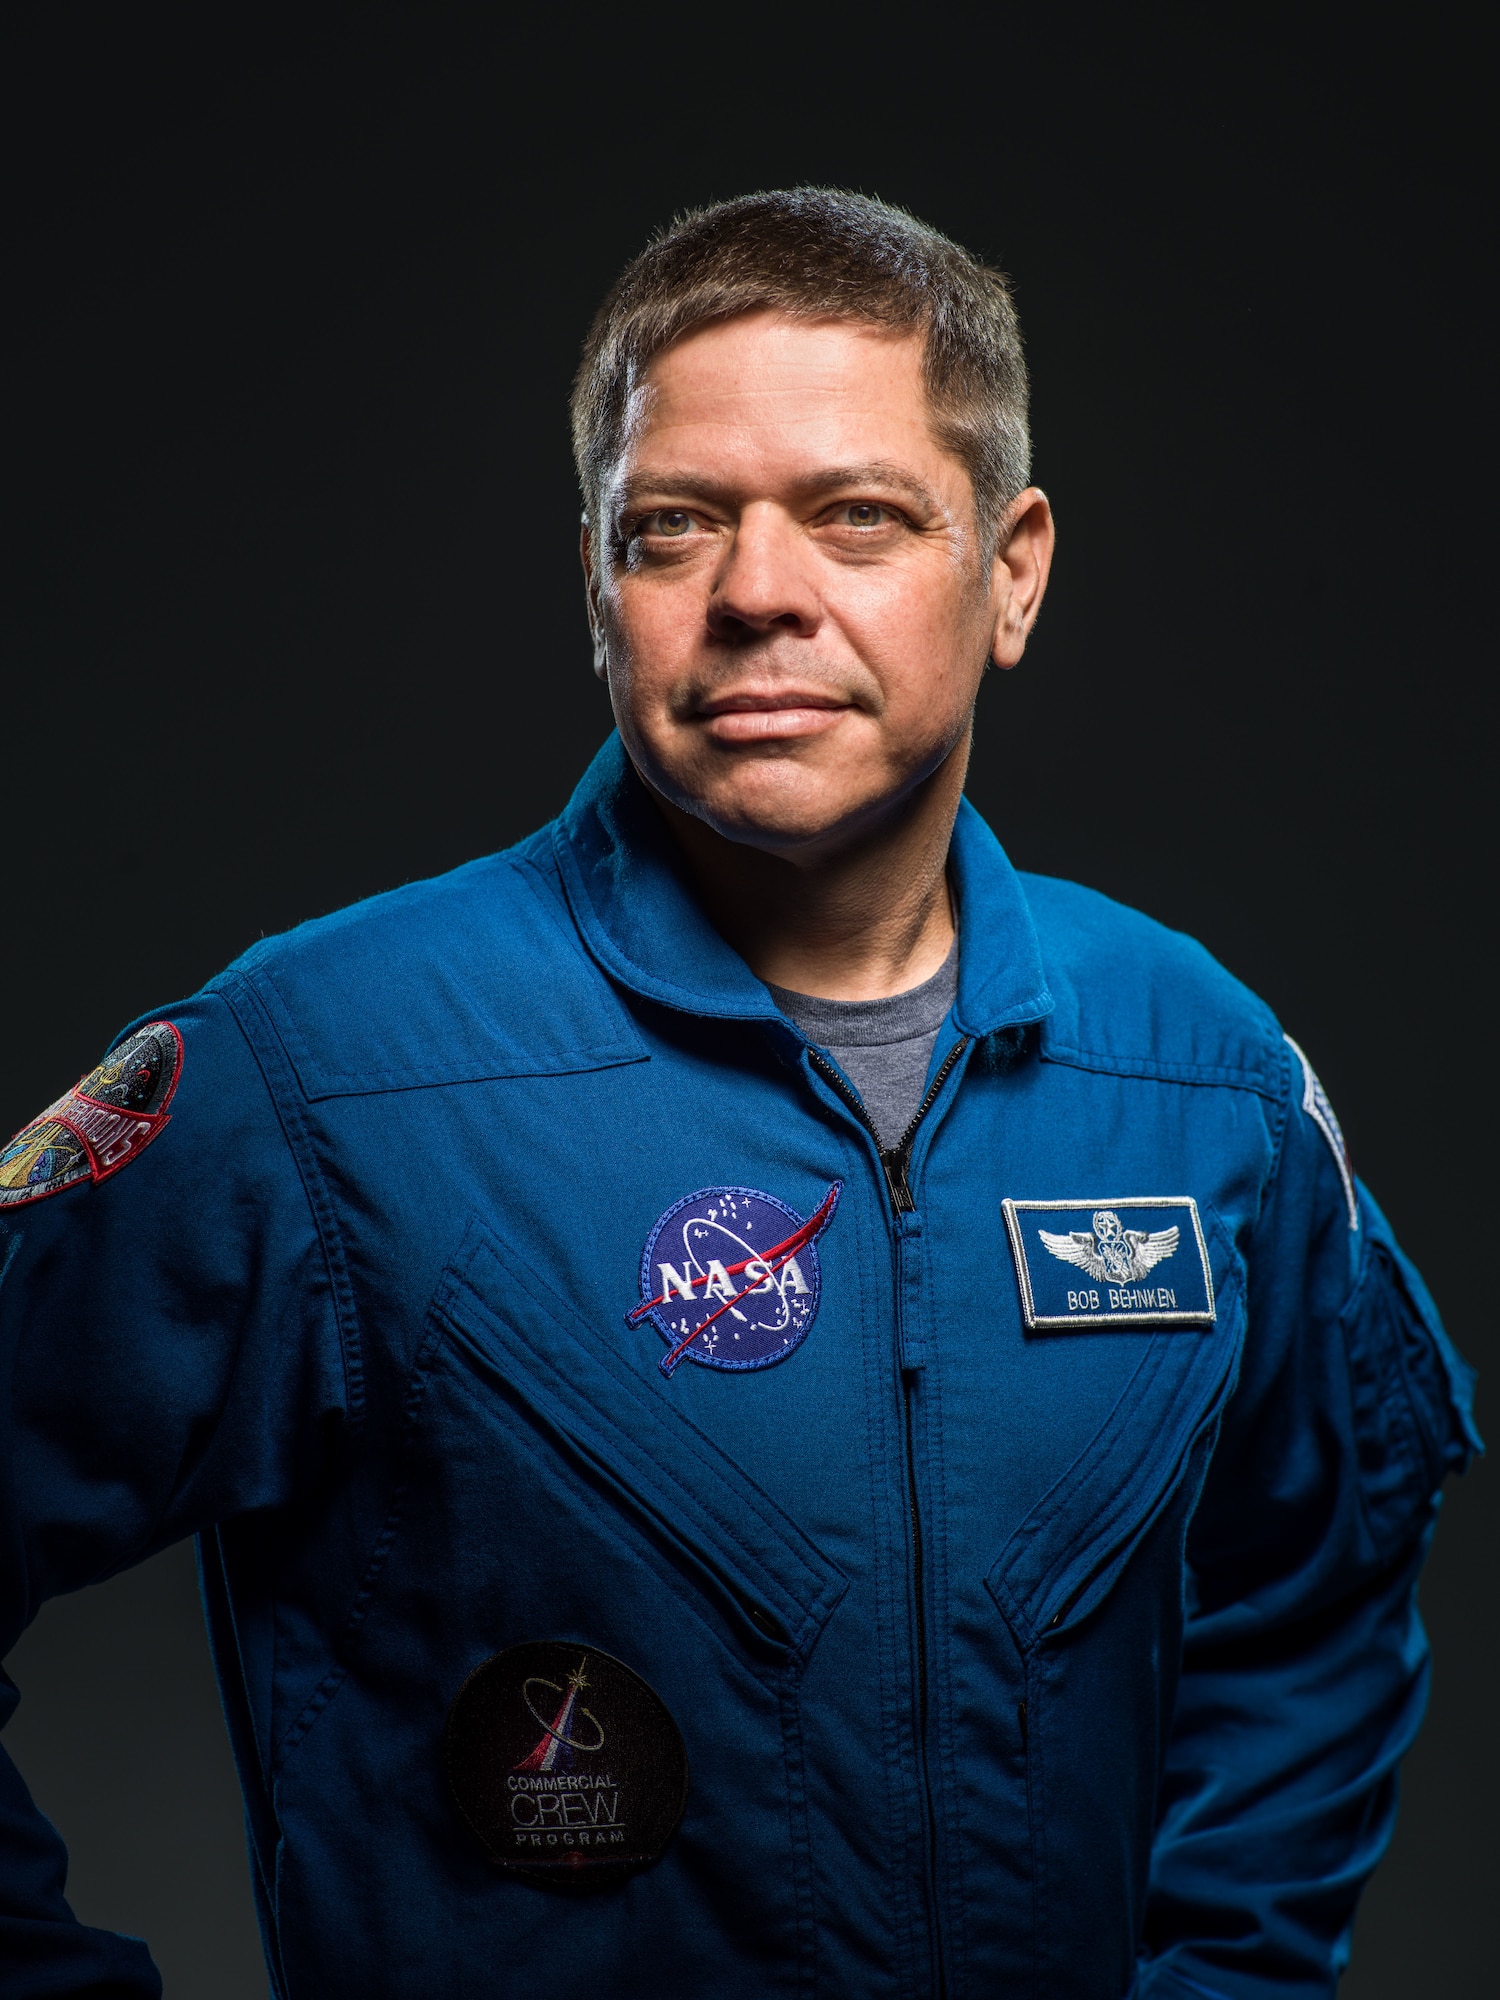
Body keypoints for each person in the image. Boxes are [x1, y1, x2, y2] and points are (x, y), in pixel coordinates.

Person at [0, 188, 1477, 2000]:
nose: (759, 593)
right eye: (674, 528)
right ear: (599, 586)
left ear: (1010, 570)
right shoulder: (322, 1080)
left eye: (858, 517)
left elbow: (1317, 1588)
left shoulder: (1201, 1078)